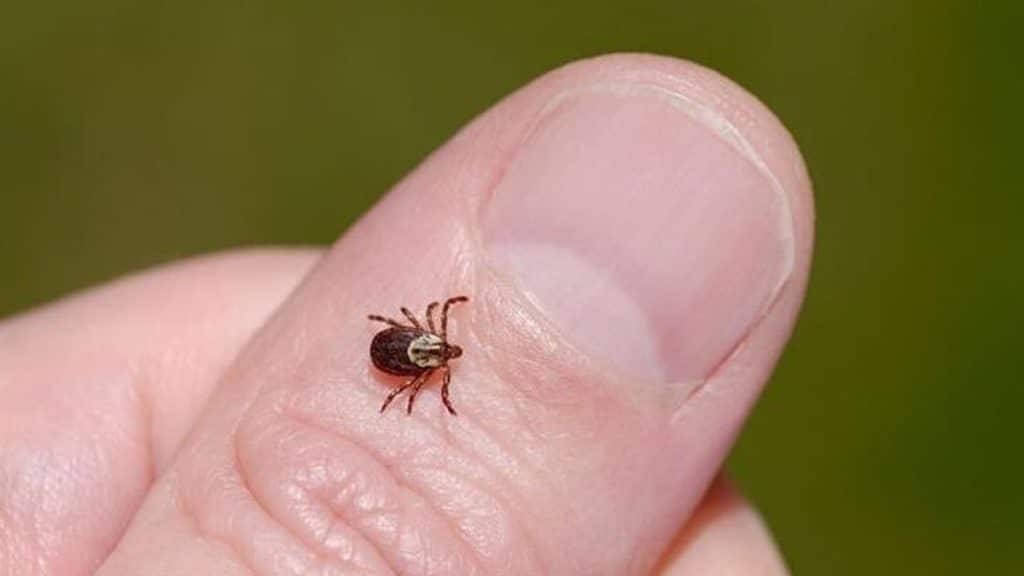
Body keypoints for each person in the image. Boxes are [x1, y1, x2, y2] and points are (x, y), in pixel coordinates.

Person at [0, 54, 814, 575]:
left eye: (437, 354)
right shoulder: (422, 357)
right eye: (439, 352)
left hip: (384, 349)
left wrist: (417, 366)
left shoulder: (418, 353)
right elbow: (402, 347)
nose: (440, 354)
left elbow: (400, 342)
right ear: (432, 350)